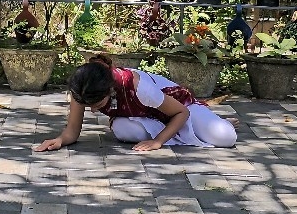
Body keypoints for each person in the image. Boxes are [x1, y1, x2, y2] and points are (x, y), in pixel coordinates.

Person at [35, 55, 238, 153]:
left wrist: (158, 142)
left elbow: (181, 112)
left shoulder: (139, 87)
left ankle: (211, 121)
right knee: (124, 132)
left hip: (178, 108)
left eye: (97, 103)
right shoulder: (84, 87)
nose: (93, 109)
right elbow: (72, 131)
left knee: (225, 137)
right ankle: (178, 132)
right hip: (145, 115)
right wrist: (59, 141)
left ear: (110, 89)